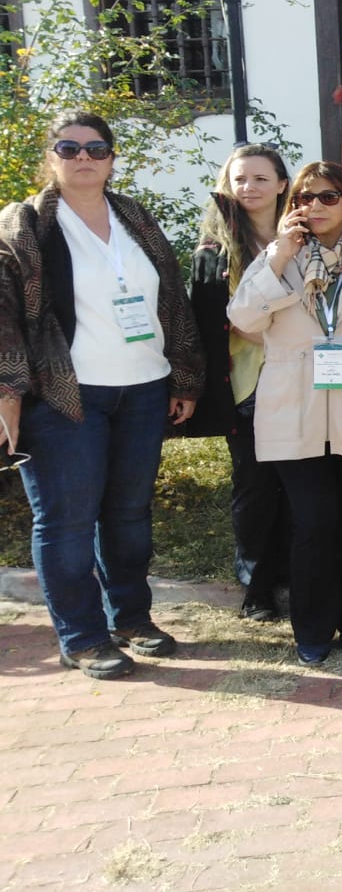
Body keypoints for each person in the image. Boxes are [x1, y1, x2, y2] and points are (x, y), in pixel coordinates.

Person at [0, 112, 202, 679]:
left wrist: (184, 376)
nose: (83, 157)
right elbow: (4, 313)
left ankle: (131, 619)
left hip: (143, 386)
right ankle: (83, 638)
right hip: (64, 395)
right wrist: (8, 391)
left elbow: (171, 297)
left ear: (112, 158)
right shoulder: (24, 224)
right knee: (66, 522)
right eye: (69, 148)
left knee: (129, 516)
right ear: (52, 157)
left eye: (96, 148)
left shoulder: (135, 216)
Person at [229, 162, 342, 665]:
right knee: (312, 522)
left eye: (329, 197)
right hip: (294, 410)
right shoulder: (277, 256)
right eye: (305, 198)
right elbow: (243, 319)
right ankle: (311, 629)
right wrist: (279, 255)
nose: (315, 206)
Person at [189, 144, 292, 622]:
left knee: (300, 483)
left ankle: (292, 568)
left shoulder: (307, 238)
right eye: (240, 179)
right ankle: (257, 585)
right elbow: (215, 324)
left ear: (282, 184)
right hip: (247, 386)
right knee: (254, 486)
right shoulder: (214, 253)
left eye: (260, 178)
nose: (249, 187)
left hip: (305, 382)